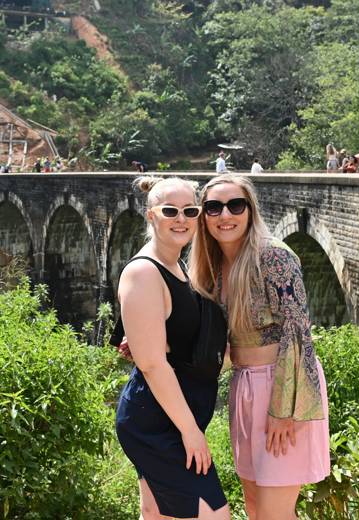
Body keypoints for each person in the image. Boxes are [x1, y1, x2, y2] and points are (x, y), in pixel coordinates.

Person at [189, 174, 330, 520]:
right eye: (214, 207)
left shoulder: (274, 257)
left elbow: (298, 335)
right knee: (254, 508)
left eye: (235, 205)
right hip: (244, 387)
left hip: (283, 389)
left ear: (250, 211)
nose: (225, 215)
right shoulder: (215, 266)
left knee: (273, 514)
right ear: (204, 216)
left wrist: (284, 410)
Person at [115, 176, 230, 520]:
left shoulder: (176, 265)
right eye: (170, 211)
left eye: (189, 211)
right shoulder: (144, 272)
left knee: (156, 513)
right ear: (151, 215)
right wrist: (190, 432)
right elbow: (152, 365)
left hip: (173, 415)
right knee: (213, 514)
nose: (181, 219)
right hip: (157, 422)